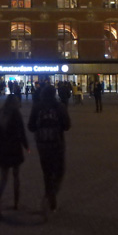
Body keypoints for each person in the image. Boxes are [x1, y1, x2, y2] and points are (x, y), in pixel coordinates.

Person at [28, 85, 71, 219]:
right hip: (57, 144)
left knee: (47, 173)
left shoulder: (37, 106)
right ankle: (50, 198)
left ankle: (50, 199)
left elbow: (30, 126)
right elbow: (67, 126)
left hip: (42, 145)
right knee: (59, 171)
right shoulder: (59, 106)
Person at [0, 95, 29, 219]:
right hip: (14, 148)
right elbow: (21, 132)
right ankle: (16, 203)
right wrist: (26, 146)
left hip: (1, 149)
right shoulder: (16, 114)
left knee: (3, 178)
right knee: (16, 176)